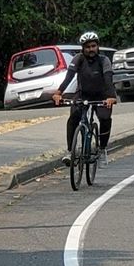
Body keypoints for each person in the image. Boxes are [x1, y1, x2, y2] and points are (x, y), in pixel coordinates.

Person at [52, 31, 117, 167]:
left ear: (97, 46)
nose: (91, 49)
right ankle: (70, 152)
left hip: (102, 95)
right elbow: (69, 77)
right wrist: (58, 93)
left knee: (105, 118)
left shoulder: (104, 60)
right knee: (73, 118)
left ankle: (102, 149)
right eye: (87, 47)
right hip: (83, 94)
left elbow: (108, 80)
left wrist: (111, 97)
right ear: (83, 48)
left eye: (93, 46)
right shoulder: (78, 59)